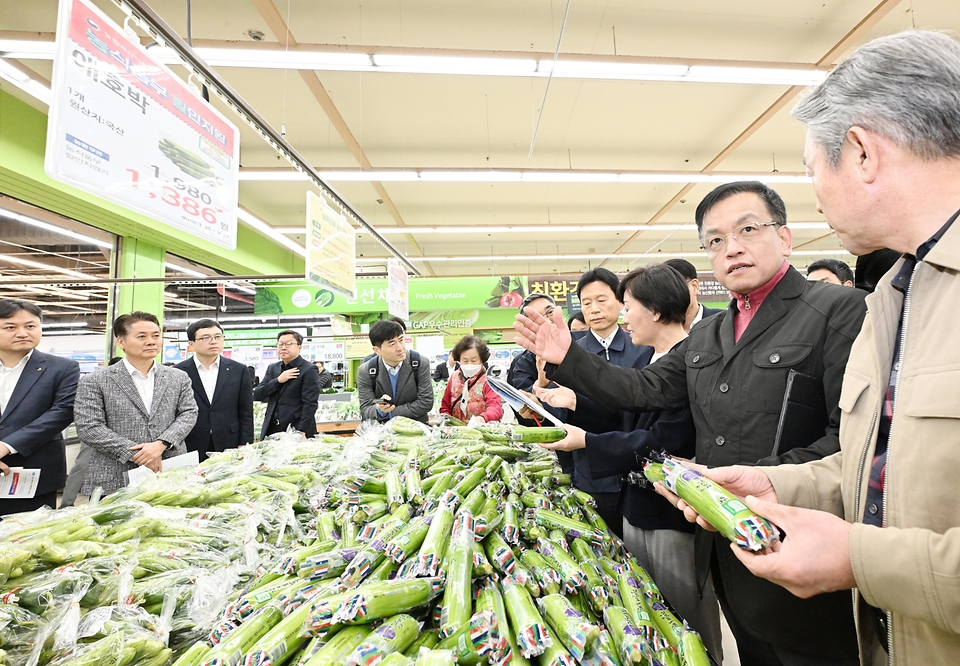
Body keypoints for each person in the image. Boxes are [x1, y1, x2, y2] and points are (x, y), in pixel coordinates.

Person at [668, 31, 960, 665]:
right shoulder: (897, 295)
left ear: (860, 152)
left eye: (809, 170)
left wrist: (860, 558)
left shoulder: (846, 308)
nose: (816, 192)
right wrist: (778, 485)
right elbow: (882, 466)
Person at [515, 180, 867, 665]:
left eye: (747, 229)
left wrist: (768, 484)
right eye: (715, 240)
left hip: (798, 535)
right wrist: (568, 356)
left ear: (784, 238)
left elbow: (850, 437)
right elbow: (643, 389)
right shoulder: (711, 333)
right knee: (751, 649)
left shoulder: (836, 310)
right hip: (719, 542)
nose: (732, 248)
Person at [537, 265, 722, 659]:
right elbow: (624, 418)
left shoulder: (690, 364)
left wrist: (587, 441)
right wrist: (574, 403)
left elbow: (660, 441)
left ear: (654, 310)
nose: (622, 315)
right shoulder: (650, 360)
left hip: (673, 514)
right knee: (651, 613)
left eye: (628, 306)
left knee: (685, 620)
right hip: (636, 507)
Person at [546, 268, 650, 536]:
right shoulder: (569, 354)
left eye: (601, 300)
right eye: (586, 303)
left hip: (639, 472)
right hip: (591, 473)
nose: (594, 309)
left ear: (620, 301)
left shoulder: (643, 347)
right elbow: (562, 416)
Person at [74, 312, 198, 497]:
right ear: (121, 342)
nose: (151, 341)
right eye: (141, 336)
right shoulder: (96, 381)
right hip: (115, 475)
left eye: (156, 335)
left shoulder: (178, 377)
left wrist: (161, 444)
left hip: (169, 470)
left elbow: (188, 413)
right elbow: (89, 427)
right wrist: (138, 453)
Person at [0, 299, 79, 514]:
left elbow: (62, 411)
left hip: (33, 476)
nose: (22, 333)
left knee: (27, 541)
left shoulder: (62, 368)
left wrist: (5, 446)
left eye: (30, 326)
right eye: (10, 327)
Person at [175, 319, 254, 462]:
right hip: (191, 441)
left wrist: (245, 443)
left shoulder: (238, 370)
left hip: (229, 440)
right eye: (205, 338)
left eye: (218, 336)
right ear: (191, 344)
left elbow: (246, 410)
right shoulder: (178, 372)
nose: (213, 341)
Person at [61, 356, 123, 508]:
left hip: (120, 438)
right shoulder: (96, 382)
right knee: (82, 466)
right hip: (96, 436)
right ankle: (66, 504)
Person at [357, 320, 433, 423]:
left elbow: (426, 402)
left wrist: (391, 412)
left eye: (401, 340)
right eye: (392, 344)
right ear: (377, 350)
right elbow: (365, 410)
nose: (400, 347)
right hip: (381, 432)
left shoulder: (419, 363)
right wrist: (379, 410)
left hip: (416, 430)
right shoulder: (365, 371)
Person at [254, 330, 321, 439]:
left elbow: (310, 404)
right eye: (280, 344)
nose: (283, 348)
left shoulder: (308, 369)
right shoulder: (273, 368)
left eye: (288, 344)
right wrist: (278, 380)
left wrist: (301, 431)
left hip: (295, 429)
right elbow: (258, 394)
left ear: (299, 347)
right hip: (272, 429)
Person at [439, 335, 503, 425]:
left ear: (481, 359)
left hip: (482, 431)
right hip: (456, 432)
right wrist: (447, 420)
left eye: (473, 360)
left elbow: (495, 407)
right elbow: (445, 406)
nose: (469, 364)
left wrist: (483, 418)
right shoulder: (453, 378)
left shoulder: (488, 381)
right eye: (465, 361)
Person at [663, 258, 725, 330]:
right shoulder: (661, 328)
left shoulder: (722, 321)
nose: (669, 296)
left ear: (695, 286)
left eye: (676, 288)